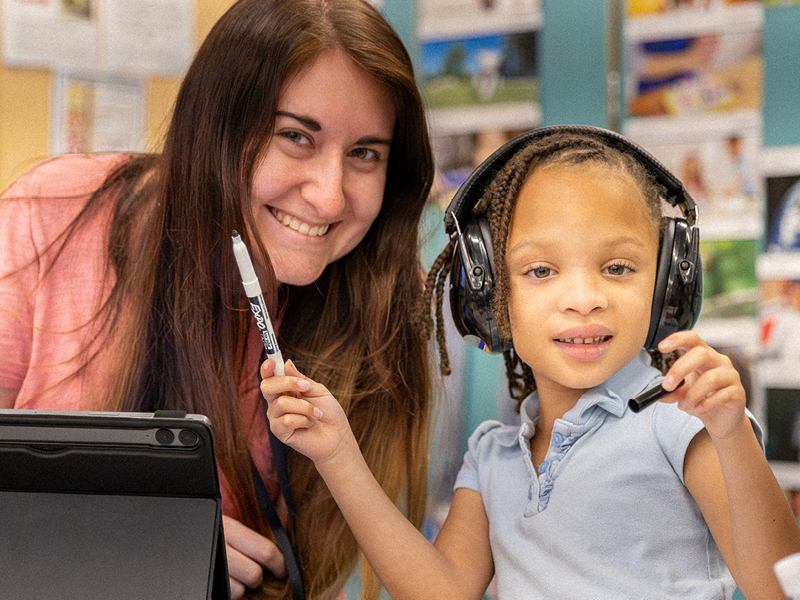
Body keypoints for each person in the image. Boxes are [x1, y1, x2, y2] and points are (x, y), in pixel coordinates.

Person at [0, 1, 435, 599]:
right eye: (295, 137)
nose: (331, 199)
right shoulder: (54, 217)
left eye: (365, 153)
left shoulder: (376, 306)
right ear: (215, 126)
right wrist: (126, 546)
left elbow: (315, 577)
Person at [263, 127, 800, 599]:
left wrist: (732, 434)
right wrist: (338, 455)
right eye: (541, 271)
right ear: (489, 298)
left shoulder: (686, 425)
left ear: (667, 287)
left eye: (617, 267)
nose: (584, 298)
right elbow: (438, 591)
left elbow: (777, 587)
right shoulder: (493, 457)